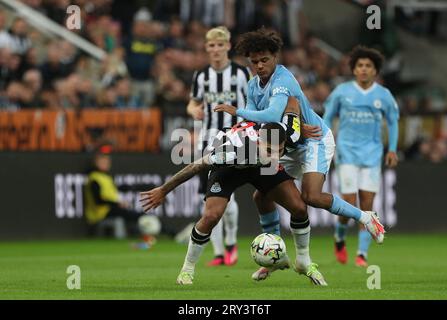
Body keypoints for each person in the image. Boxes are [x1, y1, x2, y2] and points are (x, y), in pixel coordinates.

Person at [214, 28, 385, 280]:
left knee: (311, 196)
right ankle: (274, 255)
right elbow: (256, 122)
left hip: (313, 141)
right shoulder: (252, 86)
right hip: (285, 146)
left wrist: (235, 111)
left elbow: (272, 115)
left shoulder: (284, 80)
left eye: (265, 60)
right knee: (261, 196)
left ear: (275, 57)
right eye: (254, 62)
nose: (260, 66)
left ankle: (366, 218)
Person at [140, 121, 329, 286]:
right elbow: (195, 166)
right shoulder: (231, 151)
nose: (275, 156)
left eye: (278, 151)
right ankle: (187, 269)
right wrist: (163, 190)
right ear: (259, 142)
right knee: (211, 216)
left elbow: (293, 115)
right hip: (229, 170)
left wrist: (303, 129)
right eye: (270, 150)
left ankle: (303, 260)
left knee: (299, 207)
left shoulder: (282, 135)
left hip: (260, 166)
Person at [322, 45, 399, 267]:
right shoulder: (342, 92)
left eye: (368, 66)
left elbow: (393, 122)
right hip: (346, 152)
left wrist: (392, 149)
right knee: (349, 202)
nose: (364, 69)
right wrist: (326, 142)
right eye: (360, 66)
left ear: (375, 71)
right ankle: (339, 236)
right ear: (354, 70)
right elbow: (327, 117)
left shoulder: (383, 95)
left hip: (373, 155)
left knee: (368, 203)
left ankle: (362, 254)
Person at [186, 26, 251, 266]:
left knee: (226, 195)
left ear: (227, 46)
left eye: (219, 45)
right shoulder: (201, 76)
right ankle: (218, 252)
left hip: (237, 139)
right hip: (207, 142)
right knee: (209, 198)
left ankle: (231, 244)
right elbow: (192, 104)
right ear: (206, 48)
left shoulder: (242, 73)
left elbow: (254, 99)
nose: (215, 49)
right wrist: (195, 110)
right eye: (211, 45)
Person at [84, 144, 159, 249]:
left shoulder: (105, 177)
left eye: (107, 161)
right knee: (134, 215)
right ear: (96, 162)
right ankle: (155, 235)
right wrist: (117, 203)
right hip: (100, 213)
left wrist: (145, 187)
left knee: (132, 214)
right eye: (103, 161)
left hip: (109, 210)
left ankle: (148, 237)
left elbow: (119, 189)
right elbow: (98, 201)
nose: (106, 163)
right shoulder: (94, 179)